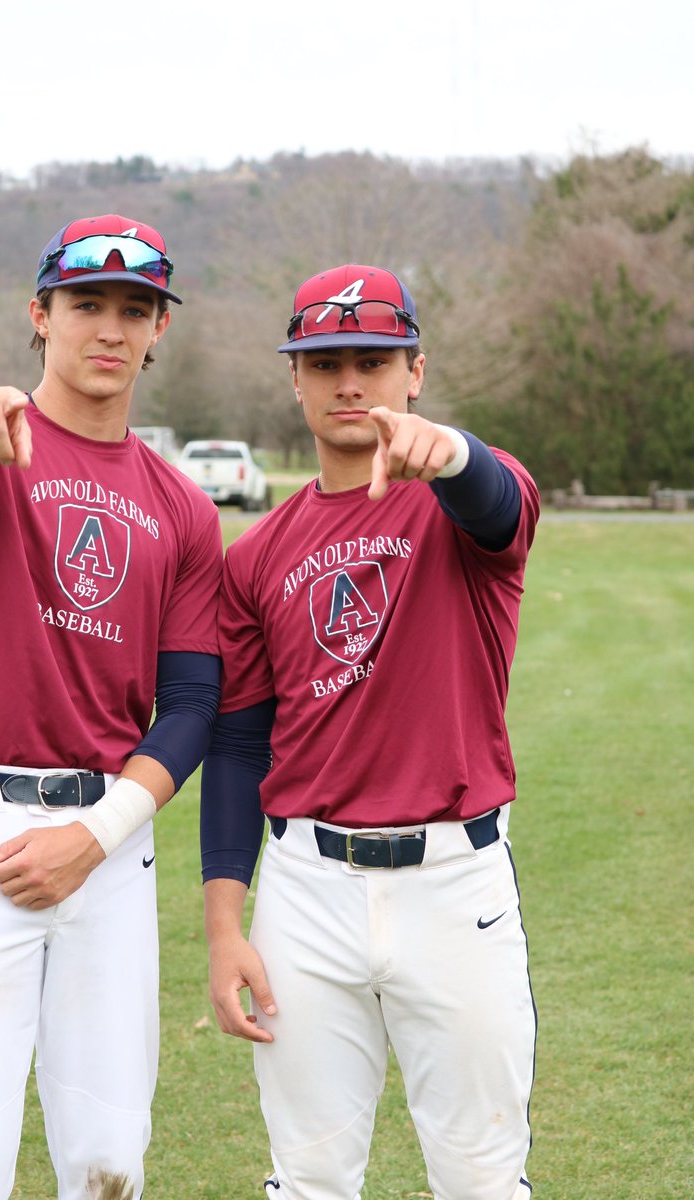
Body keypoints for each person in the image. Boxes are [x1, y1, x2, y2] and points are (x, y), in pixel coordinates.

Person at [0, 214, 223, 1200]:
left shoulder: (182, 506)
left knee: (109, 1164)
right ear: (40, 315)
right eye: (86, 304)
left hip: (108, 843)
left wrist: (95, 834)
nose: (110, 328)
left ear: (159, 329)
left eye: (135, 309)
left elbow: (192, 705)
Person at [200, 264, 540, 1200]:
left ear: (414, 371)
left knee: (481, 1181)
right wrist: (225, 926)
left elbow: (497, 506)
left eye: (375, 361)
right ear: (296, 381)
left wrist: (448, 452)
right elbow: (236, 746)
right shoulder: (258, 552)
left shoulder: (471, 500)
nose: (351, 382)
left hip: (454, 879)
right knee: (308, 1179)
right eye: (326, 362)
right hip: (307, 890)